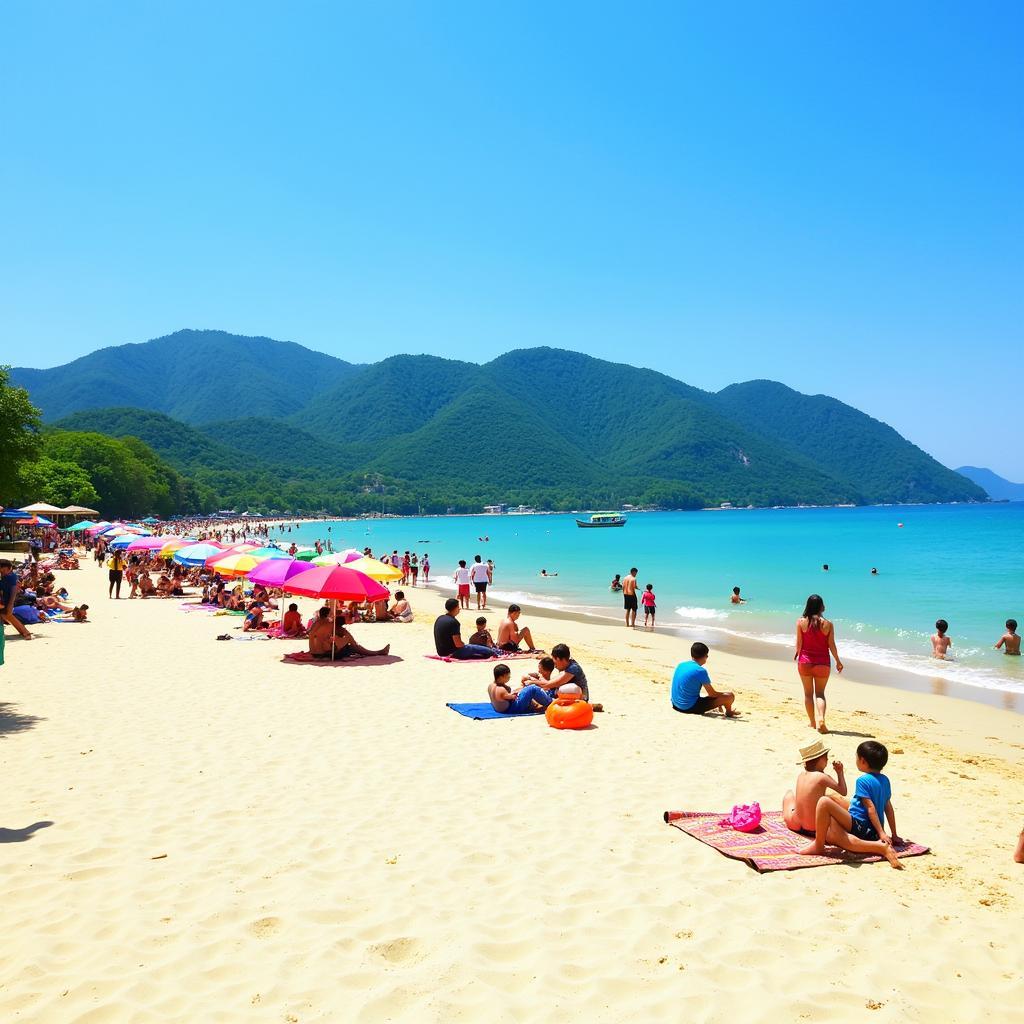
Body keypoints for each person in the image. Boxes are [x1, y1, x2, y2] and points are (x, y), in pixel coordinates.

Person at [797, 741, 903, 869]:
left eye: (856, 757)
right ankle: (877, 842)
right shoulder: (885, 780)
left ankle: (819, 845)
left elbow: (870, 809)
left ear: (862, 761)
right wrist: (893, 834)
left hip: (863, 827)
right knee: (833, 801)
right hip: (873, 830)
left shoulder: (862, 781)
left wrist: (881, 833)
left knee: (824, 802)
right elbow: (888, 808)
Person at [794, 594, 842, 733]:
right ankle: (821, 718)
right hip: (823, 663)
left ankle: (812, 722)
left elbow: (799, 643)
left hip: (805, 662)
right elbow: (831, 645)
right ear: (821, 606)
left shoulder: (801, 622)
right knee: (820, 694)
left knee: (808, 694)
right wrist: (838, 661)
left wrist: (797, 653)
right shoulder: (828, 624)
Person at [783, 739, 848, 834]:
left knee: (789, 795)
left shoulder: (801, 775)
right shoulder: (822, 777)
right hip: (814, 828)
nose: (827, 760)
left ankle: (795, 813)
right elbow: (843, 791)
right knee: (832, 800)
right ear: (820, 759)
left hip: (795, 825)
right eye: (826, 757)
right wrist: (840, 772)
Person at [670, 642, 738, 717]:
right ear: (704, 656)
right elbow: (712, 694)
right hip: (688, 708)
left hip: (675, 705)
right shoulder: (700, 671)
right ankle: (729, 712)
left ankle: (723, 707)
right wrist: (723, 697)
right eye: (707, 655)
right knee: (729, 696)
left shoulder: (682, 665)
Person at [308, 608, 390, 660]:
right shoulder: (329, 624)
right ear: (328, 615)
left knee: (346, 642)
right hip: (322, 654)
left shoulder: (316, 623)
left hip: (313, 652)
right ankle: (377, 652)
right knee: (351, 645)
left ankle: (376, 652)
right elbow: (327, 644)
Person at [488, 663, 553, 714]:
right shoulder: (501, 690)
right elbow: (513, 697)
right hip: (513, 709)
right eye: (508, 677)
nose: (509, 678)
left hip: (501, 708)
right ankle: (550, 702)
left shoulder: (490, 686)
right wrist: (519, 692)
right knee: (532, 689)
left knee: (524, 689)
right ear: (501, 677)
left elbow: (506, 695)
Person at [0, 559, 32, 640]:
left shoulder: (10, 577)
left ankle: (25, 632)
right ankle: (24, 632)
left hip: (7, 600)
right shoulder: (7, 575)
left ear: (7, 568)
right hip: (5, 599)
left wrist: (10, 604)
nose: (1, 571)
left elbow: (14, 590)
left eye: (2, 569)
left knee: (7, 616)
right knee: (7, 616)